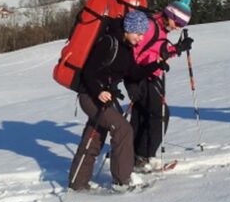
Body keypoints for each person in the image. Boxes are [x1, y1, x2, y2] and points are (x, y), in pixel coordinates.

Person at [68, 11, 166, 191]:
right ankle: (122, 180)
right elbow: (88, 73)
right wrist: (99, 92)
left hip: (105, 96)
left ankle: (78, 182)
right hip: (90, 96)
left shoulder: (127, 49)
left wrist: (156, 64)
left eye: (143, 34)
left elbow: (134, 73)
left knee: (95, 134)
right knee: (123, 129)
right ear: (128, 29)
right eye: (138, 33)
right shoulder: (108, 42)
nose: (141, 37)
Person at [127, 0, 194, 171]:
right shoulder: (149, 27)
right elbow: (134, 52)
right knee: (160, 114)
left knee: (141, 116)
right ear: (169, 14)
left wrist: (177, 48)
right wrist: (157, 60)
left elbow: (157, 51)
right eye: (177, 22)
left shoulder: (160, 28)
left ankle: (134, 156)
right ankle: (143, 156)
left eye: (182, 25)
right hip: (141, 76)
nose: (178, 27)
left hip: (146, 75)